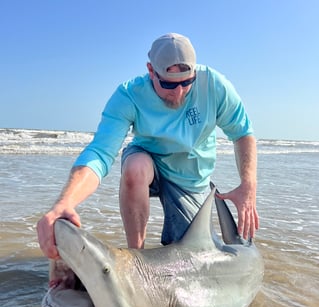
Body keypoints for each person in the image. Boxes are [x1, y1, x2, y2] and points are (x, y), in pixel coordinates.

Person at [37, 32, 259, 259]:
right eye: (168, 84)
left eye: (187, 82)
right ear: (151, 71)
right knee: (134, 168)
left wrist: (248, 185)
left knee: (196, 259)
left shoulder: (215, 85)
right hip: (149, 162)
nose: (179, 92)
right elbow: (100, 152)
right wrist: (65, 202)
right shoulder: (129, 95)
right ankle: (137, 257)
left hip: (191, 178)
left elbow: (242, 133)